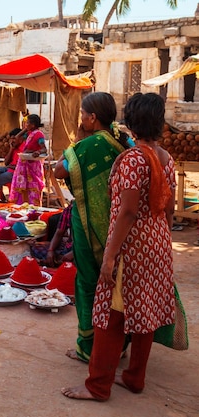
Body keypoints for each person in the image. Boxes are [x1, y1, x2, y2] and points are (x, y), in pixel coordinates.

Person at [61, 92, 176, 402]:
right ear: (159, 124)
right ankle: (135, 377)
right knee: (145, 310)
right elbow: (169, 210)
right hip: (158, 243)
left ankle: (97, 385)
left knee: (111, 315)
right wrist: (159, 241)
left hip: (132, 245)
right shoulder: (167, 159)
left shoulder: (132, 159)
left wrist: (110, 257)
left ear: (131, 124)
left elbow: (126, 211)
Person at [54, 91, 132, 363]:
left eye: (83, 114)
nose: (81, 118)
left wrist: (77, 138)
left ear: (92, 118)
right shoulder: (123, 141)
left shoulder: (88, 146)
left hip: (89, 224)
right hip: (121, 226)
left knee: (87, 282)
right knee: (118, 284)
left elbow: (58, 171)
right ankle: (119, 343)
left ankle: (88, 347)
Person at [9, 114, 47, 205]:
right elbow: (17, 137)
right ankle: (23, 205)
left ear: (33, 125)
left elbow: (44, 149)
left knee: (33, 187)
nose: (26, 124)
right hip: (24, 164)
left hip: (33, 165)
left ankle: (34, 206)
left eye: (27, 123)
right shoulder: (29, 134)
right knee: (23, 188)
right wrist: (25, 129)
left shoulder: (39, 135)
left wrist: (37, 152)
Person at [29, 201, 74, 267]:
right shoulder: (69, 210)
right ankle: (59, 261)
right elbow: (59, 233)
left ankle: (61, 262)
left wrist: (74, 254)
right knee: (35, 249)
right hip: (68, 247)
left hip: (85, 251)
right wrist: (51, 250)